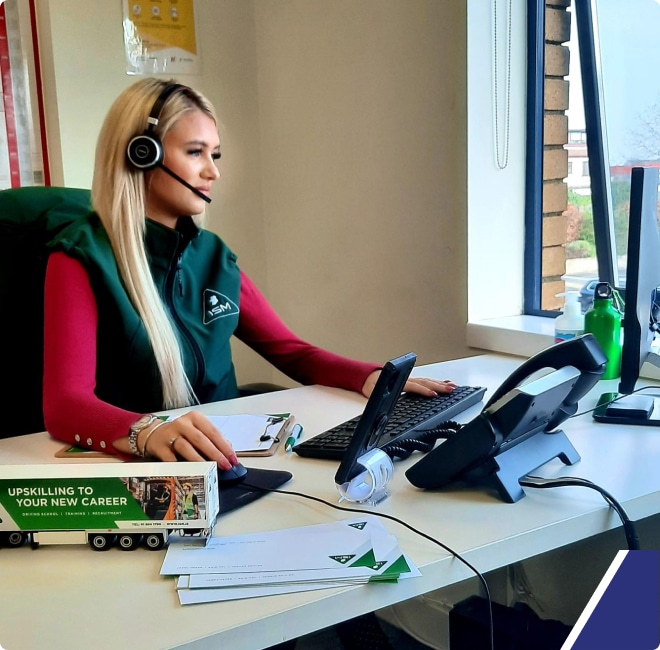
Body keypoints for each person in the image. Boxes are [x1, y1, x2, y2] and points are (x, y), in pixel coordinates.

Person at [43, 78, 455, 468]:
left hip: (231, 458)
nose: (213, 172)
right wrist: (148, 431)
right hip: (157, 465)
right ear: (142, 154)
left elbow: (290, 350)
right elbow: (64, 403)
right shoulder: (81, 256)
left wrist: (370, 378)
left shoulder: (213, 256)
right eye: (194, 152)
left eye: (214, 154)